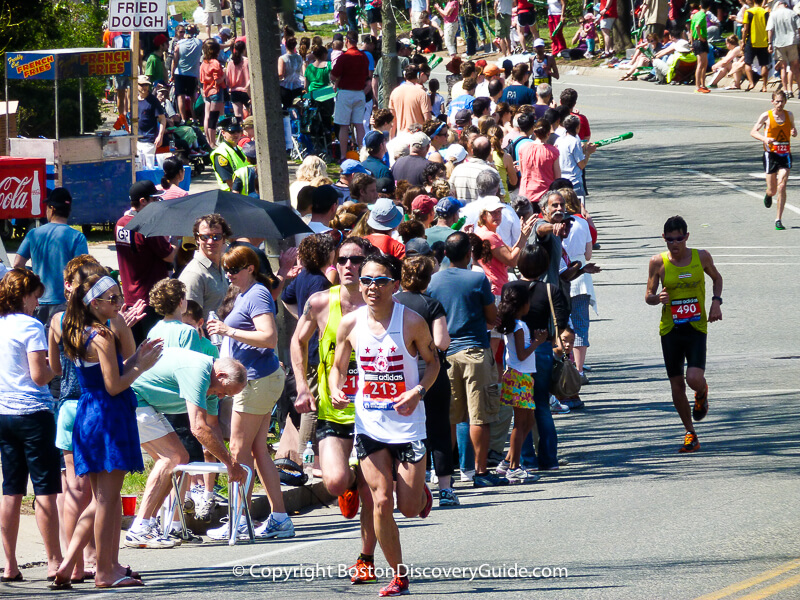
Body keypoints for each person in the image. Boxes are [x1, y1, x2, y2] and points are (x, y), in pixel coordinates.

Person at [329, 254, 438, 597]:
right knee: (380, 500)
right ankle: (399, 575)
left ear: (395, 284)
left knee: (408, 508)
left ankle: (419, 493)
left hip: (408, 426)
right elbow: (338, 367)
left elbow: (434, 364)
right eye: (366, 281)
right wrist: (335, 389)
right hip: (370, 423)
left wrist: (417, 391)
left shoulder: (412, 322)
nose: (372, 287)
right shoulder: (349, 323)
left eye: (380, 281)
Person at [54, 274, 162, 588]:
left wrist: (137, 358)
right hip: (107, 416)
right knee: (105, 499)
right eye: (112, 298)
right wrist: (140, 365)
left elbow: (106, 376)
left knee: (103, 498)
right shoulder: (101, 334)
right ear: (95, 303)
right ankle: (104, 571)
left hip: (91, 412)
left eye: (118, 296)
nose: (118, 302)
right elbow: (114, 385)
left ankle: (70, 565)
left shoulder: (77, 329)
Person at [291, 237, 380, 583]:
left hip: (375, 413)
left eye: (356, 260)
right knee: (334, 481)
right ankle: (351, 482)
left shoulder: (384, 305)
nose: (348, 266)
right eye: (342, 259)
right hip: (333, 410)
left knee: (379, 495)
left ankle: (366, 558)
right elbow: (298, 342)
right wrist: (302, 385)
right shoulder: (320, 303)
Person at [205, 246, 295, 539]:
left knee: (238, 452)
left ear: (250, 268)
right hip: (258, 379)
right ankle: (279, 518)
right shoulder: (247, 293)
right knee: (257, 452)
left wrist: (227, 331)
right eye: (226, 269)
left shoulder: (256, 293)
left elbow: (269, 338)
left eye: (234, 269)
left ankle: (239, 520)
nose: (229, 275)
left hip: (255, 381)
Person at [125, 350, 248, 546]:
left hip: (146, 403)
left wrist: (226, 460)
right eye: (224, 391)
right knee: (171, 457)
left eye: (226, 395)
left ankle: (148, 524)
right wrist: (230, 463)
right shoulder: (199, 371)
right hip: (132, 398)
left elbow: (211, 427)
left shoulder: (211, 384)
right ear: (221, 375)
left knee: (180, 458)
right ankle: (140, 527)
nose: (221, 396)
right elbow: (198, 428)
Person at [427, 232, 506, 487]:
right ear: (469, 254)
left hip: (444, 354)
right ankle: (480, 472)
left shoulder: (433, 281)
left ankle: (443, 474)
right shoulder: (478, 278)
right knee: (479, 414)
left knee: (449, 417)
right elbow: (491, 316)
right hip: (474, 351)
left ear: (445, 254)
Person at [0, 269, 62, 584]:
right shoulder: (31, 326)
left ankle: (9, 563)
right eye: (36, 295)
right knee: (45, 491)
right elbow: (40, 375)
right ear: (24, 294)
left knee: (10, 491)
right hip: (33, 412)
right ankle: (54, 561)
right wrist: (58, 366)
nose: (38, 302)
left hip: (3, 413)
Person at [645, 216, 723, 453]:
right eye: (670, 240)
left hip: (696, 327)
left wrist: (716, 303)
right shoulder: (657, 262)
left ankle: (702, 391)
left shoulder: (701, 257)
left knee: (693, 378)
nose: (674, 244)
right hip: (671, 329)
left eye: (679, 239)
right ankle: (690, 433)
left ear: (686, 237)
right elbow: (648, 294)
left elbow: (717, 278)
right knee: (677, 384)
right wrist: (656, 299)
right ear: (664, 239)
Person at [495, 281, 548, 481]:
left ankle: (508, 460)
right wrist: (538, 342)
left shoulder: (516, 325)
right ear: (522, 304)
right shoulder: (519, 326)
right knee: (520, 423)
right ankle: (514, 468)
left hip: (521, 376)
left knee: (528, 421)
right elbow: (522, 354)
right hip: (519, 377)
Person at [13, 187, 88, 326]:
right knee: (61, 346)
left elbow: (17, 264)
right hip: (66, 303)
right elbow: (83, 273)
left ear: (51, 209)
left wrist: (30, 282)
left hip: (37, 300)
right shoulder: (78, 237)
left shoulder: (34, 234)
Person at [115, 181, 178, 344]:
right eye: (154, 200)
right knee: (154, 347)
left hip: (130, 299)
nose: (158, 203)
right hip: (151, 299)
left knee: (136, 348)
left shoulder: (120, 223)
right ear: (143, 201)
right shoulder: (148, 224)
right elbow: (169, 256)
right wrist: (176, 241)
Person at [750, 90, 797, 230]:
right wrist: (765, 138)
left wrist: (794, 132)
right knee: (773, 190)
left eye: (782, 101)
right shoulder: (766, 116)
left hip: (785, 155)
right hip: (770, 155)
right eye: (777, 101)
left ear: (785, 102)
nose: (779, 104)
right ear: (772, 102)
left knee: (782, 185)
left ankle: (778, 219)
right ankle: (768, 194)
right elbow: (753, 132)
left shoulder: (789, 115)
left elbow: (793, 129)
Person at [179, 214, 231, 320]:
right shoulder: (193, 274)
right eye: (204, 237)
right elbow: (188, 321)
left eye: (216, 236)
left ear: (224, 238)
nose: (210, 242)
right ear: (197, 239)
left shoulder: (220, 266)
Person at [331, 31, 369, 156]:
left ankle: (343, 155)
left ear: (346, 41)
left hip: (345, 92)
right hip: (359, 93)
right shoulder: (363, 56)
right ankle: (363, 153)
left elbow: (333, 75)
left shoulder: (344, 57)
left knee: (344, 126)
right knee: (359, 125)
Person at [449, 135, 505, 203]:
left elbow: (450, 193)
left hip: (462, 212)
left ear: (472, 151)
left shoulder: (458, 170)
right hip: (483, 212)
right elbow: (502, 197)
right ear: (489, 152)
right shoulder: (492, 173)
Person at [518, 119, 561, 203]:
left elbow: (522, 172)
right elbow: (557, 177)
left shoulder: (523, 147)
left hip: (526, 194)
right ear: (548, 133)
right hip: (545, 195)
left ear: (535, 133)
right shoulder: (553, 151)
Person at [555, 115, 596, 198]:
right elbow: (582, 165)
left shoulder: (559, 140)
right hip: (574, 182)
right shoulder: (575, 142)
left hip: (561, 181)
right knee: (577, 209)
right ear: (577, 127)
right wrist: (588, 153)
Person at [766, 0, 800, 99]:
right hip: (792, 42)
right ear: (785, 5)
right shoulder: (792, 13)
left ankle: (785, 90)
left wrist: (769, 44)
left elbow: (770, 30)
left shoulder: (773, 14)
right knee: (795, 67)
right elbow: (799, 27)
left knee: (783, 67)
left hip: (779, 43)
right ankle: (798, 89)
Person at [388, 65, 432, 138]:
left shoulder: (394, 92)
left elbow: (392, 120)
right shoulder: (422, 93)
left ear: (404, 75)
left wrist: (391, 139)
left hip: (400, 137)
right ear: (418, 75)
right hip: (417, 138)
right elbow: (428, 120)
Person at [171, 25, 204, 122]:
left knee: (180, 96)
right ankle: (194, 118)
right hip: (193, 74)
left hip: (180, 73)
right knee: (193, 96)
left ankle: (183, 118)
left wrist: (172, 73)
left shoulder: (179, 44)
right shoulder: (199, 43)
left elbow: (175, 61)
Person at [199, 39, 226, 148]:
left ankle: (208, 140)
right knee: (214, 118)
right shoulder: (215, 63)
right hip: (216, 91)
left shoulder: (203, 63)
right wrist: (224, 73)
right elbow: (218, 80)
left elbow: (201, 79)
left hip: (207, 91)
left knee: (207, 117)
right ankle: (212, 142)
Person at [210, 116, 247, 191]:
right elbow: (230, 182)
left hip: (246, 194)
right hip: (233, 196)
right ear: (223, 133)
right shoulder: (221, 154)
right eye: (232, 132)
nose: (236, 135)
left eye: (238, 131)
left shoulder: (240, 149)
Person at [742, 0, 770, 92]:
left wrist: (743, 41)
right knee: (764, 64)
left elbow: (745, 29)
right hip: (763, 41)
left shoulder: (749, 12)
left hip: (751, 40)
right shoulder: (766, 12)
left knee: (748, 62)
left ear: (753, 1)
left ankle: (751, 83)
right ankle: (765, 86)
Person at [136, 76, 166, 155]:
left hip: (149, 139)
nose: (144, 87)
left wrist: (160, 136)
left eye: (146, 85)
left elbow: (162, 119)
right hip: (136, 139)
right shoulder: (134, 100)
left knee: (147, 165)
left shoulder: (153, 100)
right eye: (141, 85)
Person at [690, 0, 711, 93]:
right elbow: (697, 26)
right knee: (701, 64)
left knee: (704, 63)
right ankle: (698, 85)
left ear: (700, 6)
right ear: (709, 7)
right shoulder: (702, 15)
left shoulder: (695, 15)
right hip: (701, 41)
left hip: (696, 41)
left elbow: (691, 29)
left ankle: (703, 84)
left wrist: (691, 42)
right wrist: (700, 37)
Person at [279, 37, 305, 109]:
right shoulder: (299, 57)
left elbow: (280, 74)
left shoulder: (283, 58)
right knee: (296, 107)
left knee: (286, 108)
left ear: (286, 46)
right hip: (297, 85)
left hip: (286, 87)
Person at [226, 40, 251, 118]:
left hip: (234, 91)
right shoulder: (247, 62)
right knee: (251, 115)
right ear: (244, 49)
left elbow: (227, 81)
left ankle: (239, 130)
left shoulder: (230, 63)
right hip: (247, 91)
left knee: (238, 116)